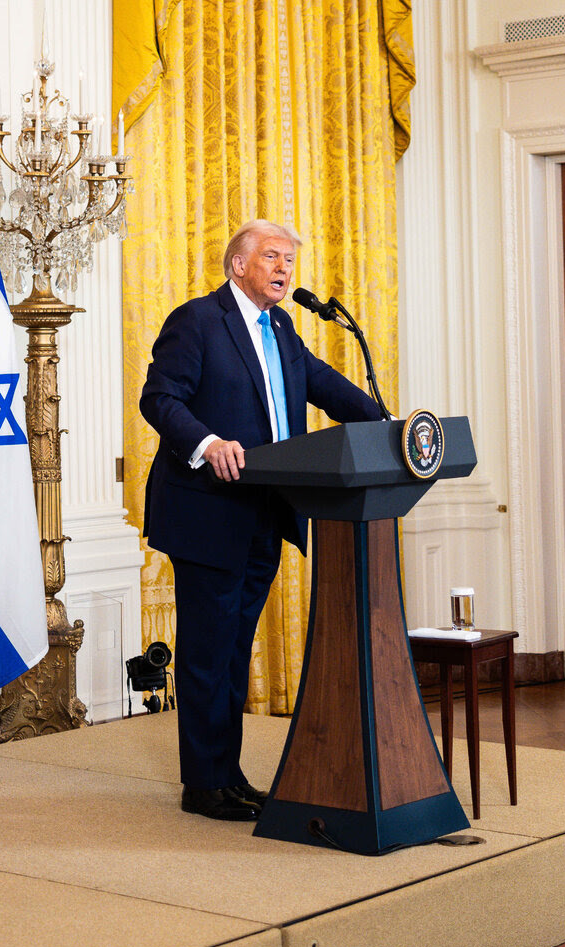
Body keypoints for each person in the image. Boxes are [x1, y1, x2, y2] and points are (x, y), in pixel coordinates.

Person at [139, 219, 382, 821]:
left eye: (290, 262)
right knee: (205, 651)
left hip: (265, 508)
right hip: (206, 510)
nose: (283, 270)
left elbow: (322, 385)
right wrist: (207, 442)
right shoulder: (197, 320)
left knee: (235, 648)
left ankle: (228, 774)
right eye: (272, 257)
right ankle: (202, 784)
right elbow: (159, 398)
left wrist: (388, 424)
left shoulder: (281, 326)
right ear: (238, 265)